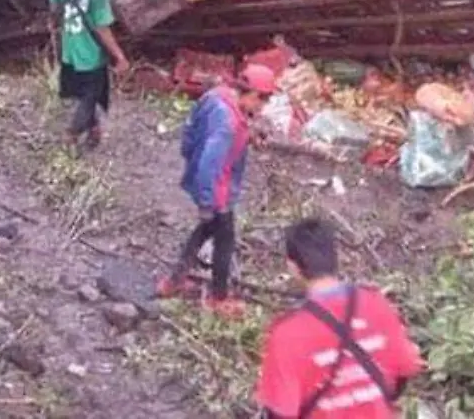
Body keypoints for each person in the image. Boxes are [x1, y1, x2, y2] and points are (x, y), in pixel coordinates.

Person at [255, 217, 424, 419]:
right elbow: (403, 372)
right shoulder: (377, 305)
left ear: (293, 266)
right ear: (336, 258)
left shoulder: (287, 334)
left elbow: (280, 412)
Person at [159, 63, 276, 314]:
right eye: (261, 102)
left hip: (207, 182)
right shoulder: (226, 125)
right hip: (217, 190)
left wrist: (249, 135)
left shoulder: (218, 96)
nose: (261, 108)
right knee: (225, 240)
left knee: (204, 231)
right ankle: (219, 298)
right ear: (253, 94)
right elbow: (210, 164)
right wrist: (208, 202)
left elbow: (191, 132)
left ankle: (174, 281)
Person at [49, 0, 130, 150]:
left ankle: (94, 132)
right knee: (90, 96)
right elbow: (103, 30)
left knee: (83, 93)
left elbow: (54, 7)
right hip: (91, 54)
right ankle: (71, 134)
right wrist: (119, 57)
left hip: (69, 47)